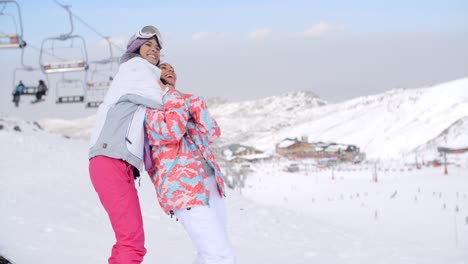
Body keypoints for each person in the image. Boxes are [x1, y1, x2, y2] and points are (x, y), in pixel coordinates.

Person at [88, 25, 166, 264]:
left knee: (129, 240)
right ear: (136, 48)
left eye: (157, 47)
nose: (153, 50)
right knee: (131, 242)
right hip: (111, 159)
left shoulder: (137, 72)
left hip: (112, 161)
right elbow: (164, 102)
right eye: (148, 45)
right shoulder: (136, 68)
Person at [145, 62, 236, 264]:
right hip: (184, 190)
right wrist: (171, 96)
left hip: (210, 183)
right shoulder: (151, 108)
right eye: (163, 68)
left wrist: (194, 102)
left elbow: (212, 133)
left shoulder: (183, 105)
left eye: (172, 68)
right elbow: (173, 132)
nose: (170, 71)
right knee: (220, 255)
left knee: (209, 252)